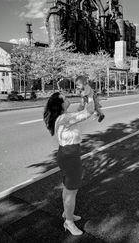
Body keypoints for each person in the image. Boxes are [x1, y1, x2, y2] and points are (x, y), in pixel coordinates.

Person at [43, 92, 94, 236]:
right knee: (72, 190)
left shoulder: (63, 117)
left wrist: (83, 101)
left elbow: (79, 113)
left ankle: (67, 213)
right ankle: (69, 222)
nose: (67, 98)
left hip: (66, 154)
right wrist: (90, 95)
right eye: (65, 98)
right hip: (70, 157)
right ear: (60, 104)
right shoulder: (65, 118)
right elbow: (89, 112)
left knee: (67, 187)